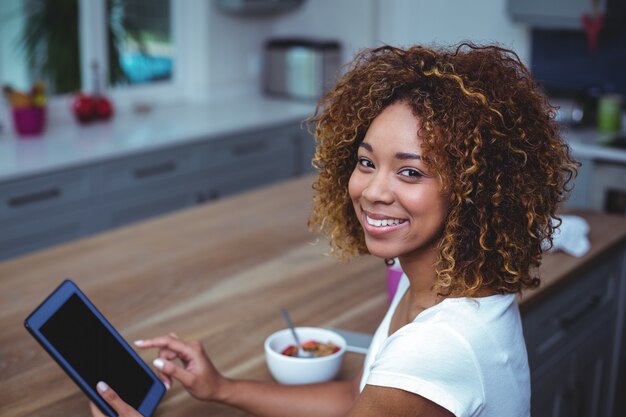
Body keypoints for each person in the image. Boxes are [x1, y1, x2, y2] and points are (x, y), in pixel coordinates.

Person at [89, 42, 578, 417]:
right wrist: (222, 389)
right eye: (367, 162)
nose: (373, 191)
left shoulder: (439, 347)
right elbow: (364, 395)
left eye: (410, 171)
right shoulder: (442, 283)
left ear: (472, 189)